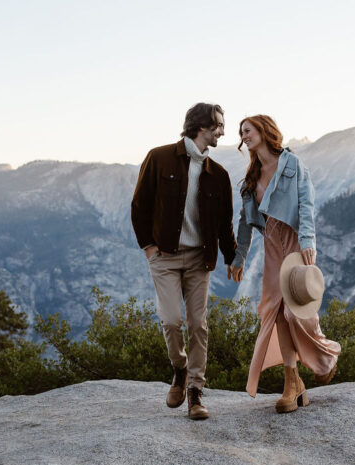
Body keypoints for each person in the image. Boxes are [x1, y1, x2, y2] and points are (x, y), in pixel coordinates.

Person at [131, 103, 237, 420]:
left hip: (198, 260)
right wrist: (149, 247)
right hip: (163, 256)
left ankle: (195, 392)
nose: (222, 131)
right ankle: (179, 369)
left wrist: (233, 257)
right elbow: (139, 206)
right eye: (218, 125)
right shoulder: (159, 158)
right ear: (201, 126)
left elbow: (224, 225)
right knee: (171, 321)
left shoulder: (218, 175)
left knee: (198, 325)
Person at [228, 115, 340, 412]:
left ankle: (326, 354)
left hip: (293, 242)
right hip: (271, 246)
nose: (244, 136)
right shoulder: (252, 176)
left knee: (296, 312)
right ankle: (292, 383)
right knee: (278, 314)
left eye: (247, 130)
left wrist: (308, 242)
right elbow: (244, 222)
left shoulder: (292, 164)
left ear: (263, 131)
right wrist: (239, 256)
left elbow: (306, 204)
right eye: (241, 133)